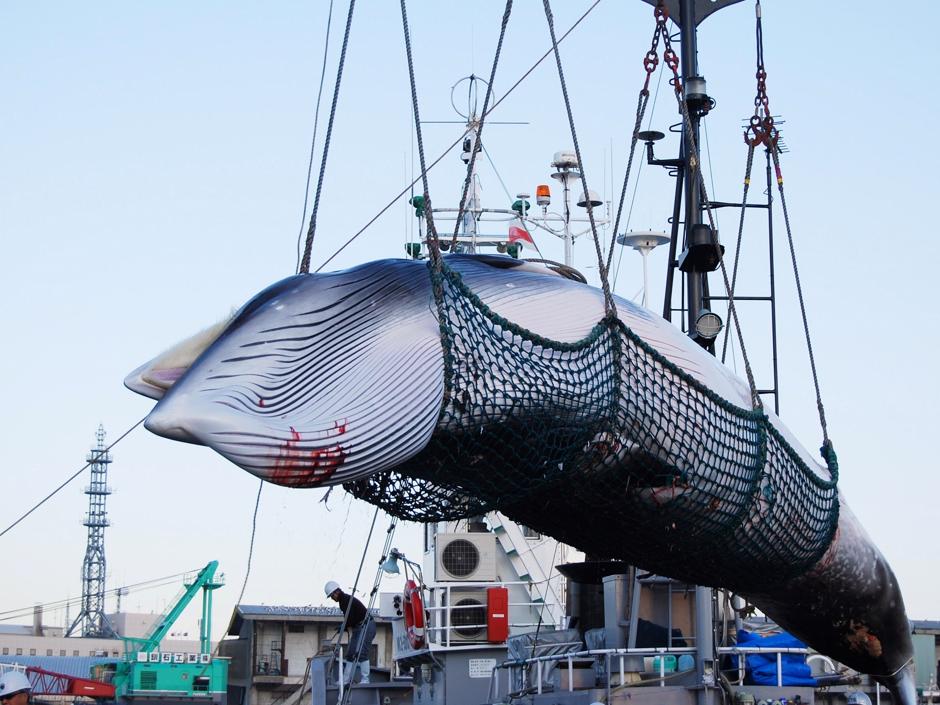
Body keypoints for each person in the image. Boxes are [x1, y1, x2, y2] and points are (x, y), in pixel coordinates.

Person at [325, 580, 375, 684]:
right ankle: (345, 679)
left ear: (336, 592)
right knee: (351, 653)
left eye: (331, 596)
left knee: (362, 653)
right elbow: (350, 619)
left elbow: (350, 619)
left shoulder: (346, 600)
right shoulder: (343, 601)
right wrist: (344, 626)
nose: (332, 598)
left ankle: (365, 680)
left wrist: (344, 626)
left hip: (367, 625)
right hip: (358, 627)